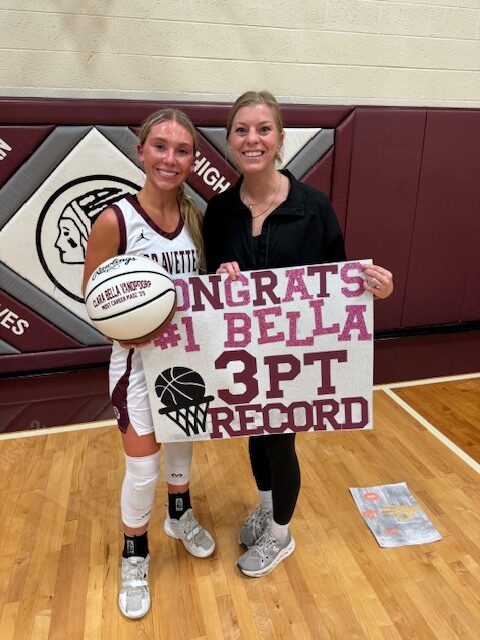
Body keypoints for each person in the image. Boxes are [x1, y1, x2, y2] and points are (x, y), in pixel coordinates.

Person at [203, 90, 393, 578]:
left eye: (263, 129)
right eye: (242, 129)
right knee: (254, 429)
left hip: (295, 354)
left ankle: (282, 535)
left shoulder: (313, 206)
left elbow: (338, 282)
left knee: (280, 439)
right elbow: (208, 286)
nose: (252, 139)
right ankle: (267, 508)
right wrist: (219, 277)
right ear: (229, 139)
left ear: (280, 137)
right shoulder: (219, 210)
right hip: (244, 351)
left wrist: (376, 288)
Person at [83, 109, 215, 619]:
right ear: (141, 152)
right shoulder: (114, 220)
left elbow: (203, 288)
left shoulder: (195, 217)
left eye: (182, 151)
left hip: (185, 359)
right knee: (142, 469)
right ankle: (134, 554)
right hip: (136, 363)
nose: (170, 158)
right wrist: (128, 328)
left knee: (182, 446)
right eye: (160, 146)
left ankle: (178, 516)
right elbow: (94, 302)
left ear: (192, 161)